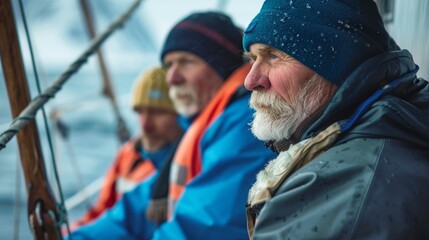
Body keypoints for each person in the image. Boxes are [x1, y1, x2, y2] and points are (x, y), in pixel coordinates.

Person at [68, 11, 276, 239]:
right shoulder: (204, 126)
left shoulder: (246, 124)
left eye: (185, 62)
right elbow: (133, 213)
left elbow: (205, 228)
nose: (171, 78)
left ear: (221, 67)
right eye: (168, 65)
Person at [242, 0, 429, 239]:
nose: (251, 80)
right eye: (252, 58)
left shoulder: (346, 185)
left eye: (274, 56)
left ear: (335, 65)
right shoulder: (375, 138)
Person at [71, 67, 183, 229]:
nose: (145, 124)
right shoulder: (128, 154)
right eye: (139, 112)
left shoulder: (189, 164)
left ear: (181, 114)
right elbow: (101, 212)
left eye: (157, 112)